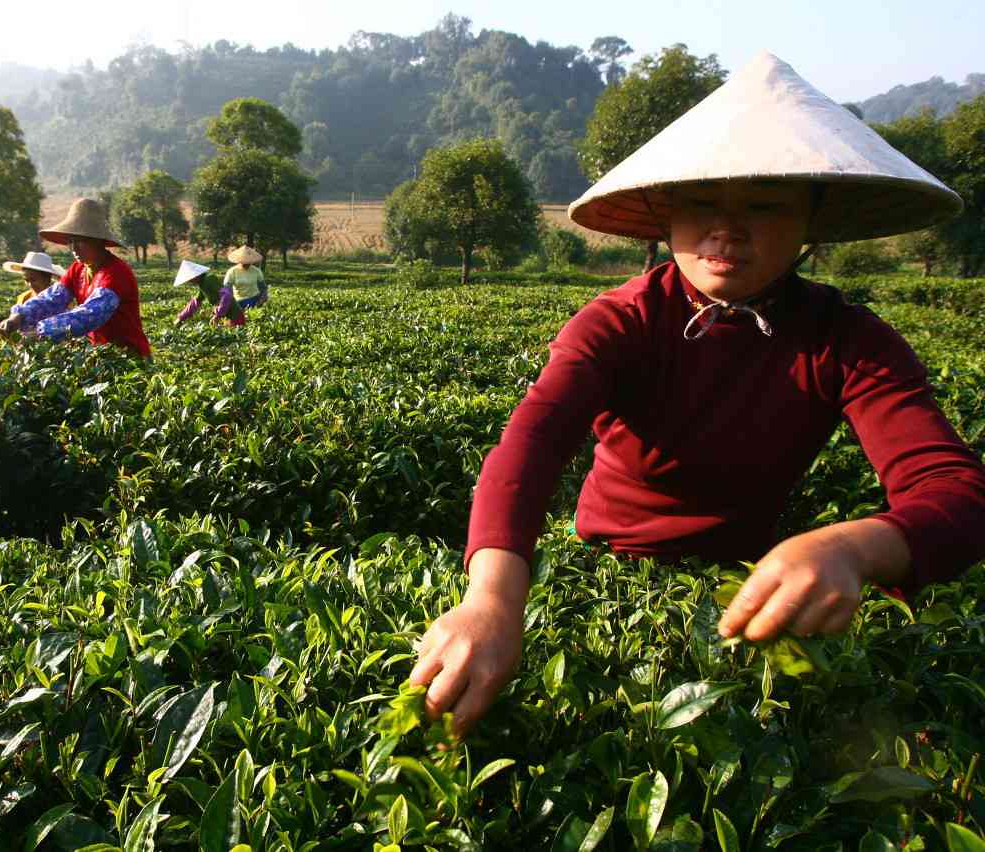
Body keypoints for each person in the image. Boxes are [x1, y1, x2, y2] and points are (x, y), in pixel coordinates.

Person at [410, 51, 985, 737]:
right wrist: (494, 599)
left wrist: (856, 547)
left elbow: (955, 491)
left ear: (810, 222)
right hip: (605, 568)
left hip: (744, 590)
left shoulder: (849, 341)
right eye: (702, 202)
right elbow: (531, 444)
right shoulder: (621, 322)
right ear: (667, 214)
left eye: (766, 205)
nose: (727, 230)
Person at [0, 198, 152, 358]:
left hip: (131, 357)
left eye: (80, 241)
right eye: (70, 242)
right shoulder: (78, 269)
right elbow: (52, 299)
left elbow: (89, 315)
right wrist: (18, 316)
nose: (74, 248)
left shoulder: (116, 273)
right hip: (101, 356)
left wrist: (40, 332)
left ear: (98, 241)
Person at [174, 260, 246, 326]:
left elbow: (226, 295)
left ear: (196, 275)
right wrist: (181, 317)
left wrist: (218, 314)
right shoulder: (202, 285)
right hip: (226, 316)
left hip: (235, 315)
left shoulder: (209, 279)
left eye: (190, 278)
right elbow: (195, 303)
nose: (189, 281)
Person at [3, 251, 71, 308]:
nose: (30, 284)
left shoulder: (61, 299)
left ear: (47, 279)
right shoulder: (24, 298)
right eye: (27, 280)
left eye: (34, 280)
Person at [223, 246, 268, 311]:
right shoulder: (232, 271)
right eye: (244, 261)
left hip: (254, 299)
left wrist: (261, 300)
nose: (246, 263)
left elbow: (263, 288)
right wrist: (230, 303)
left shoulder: (256, 271)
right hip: (238, 301)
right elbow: (227, 289)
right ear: (240, 260)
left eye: (248, 261)